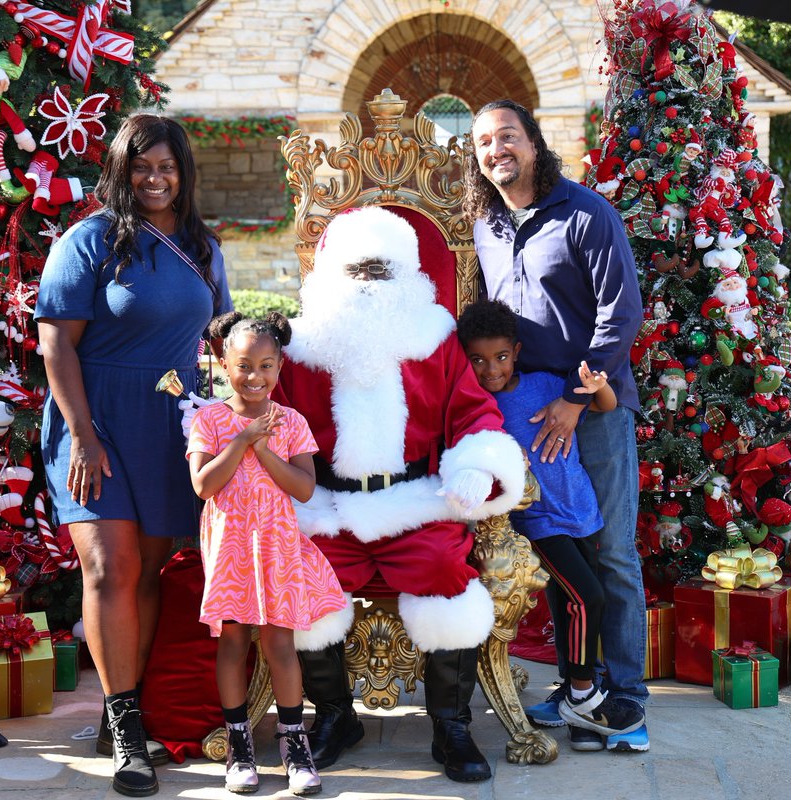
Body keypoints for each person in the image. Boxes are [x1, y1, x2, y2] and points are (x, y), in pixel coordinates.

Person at [271, 206, 527, 782]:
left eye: (381, 272)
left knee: (445, 570)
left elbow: (475, 414)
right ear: (332, 271)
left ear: (408, 274)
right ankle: (335, 716)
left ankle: (451, 724)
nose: (368, 286)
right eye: (357, 271)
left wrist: (475, 469)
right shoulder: (301, 346)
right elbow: (273, 424)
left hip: (415, 501)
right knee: (305, 581)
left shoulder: (435, 337)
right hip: (327, 507)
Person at [36, 114, 232, 797]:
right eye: (142, 167)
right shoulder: (88, 241)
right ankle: (124, 731)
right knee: (109, 568)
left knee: (146, 571)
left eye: (167, 168)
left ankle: (132, 704)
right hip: (96, 422)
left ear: (185, 174)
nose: (155, 178)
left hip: (170, 423)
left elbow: (223, 336)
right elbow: (56, 344)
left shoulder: (204, 248)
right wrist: (83, 435)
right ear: (121, 172)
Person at [465, 99, 649, 752]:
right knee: (557, 554)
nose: (496, 150)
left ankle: (624, 697)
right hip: (522, 416)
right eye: (484, 142)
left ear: (534, 142)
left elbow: (620, 313)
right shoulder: (487, 223)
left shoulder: (584, 213)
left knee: (612, 552)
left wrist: (573, 399)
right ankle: (581, 688)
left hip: (589, 408)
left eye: (507, 136)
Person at [456, 300, 644, 747]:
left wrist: (592, 387)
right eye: (478, 360)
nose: (490, 370)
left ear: (516, 351)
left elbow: (607, 404)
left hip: (580, 509)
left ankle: (573, 693)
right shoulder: (478, 407)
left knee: (570, 600)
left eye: (500, 357)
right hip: (539, 519)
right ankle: (583, 693)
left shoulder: (544, 385)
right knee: (588, 597)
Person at [187, 311, 344, 796]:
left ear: (279, 367)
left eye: (267, 366)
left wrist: (264, 449)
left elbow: (302, 487)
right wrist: (240, 441)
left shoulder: (291, 422)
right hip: (231, 547)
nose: (255, 377)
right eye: (243, 366)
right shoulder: (209, 418)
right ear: (223, 363)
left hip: (275, 547)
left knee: (279, 645)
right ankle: (239, 744)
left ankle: (294, 742)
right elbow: (203, 485)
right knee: (233, 643)